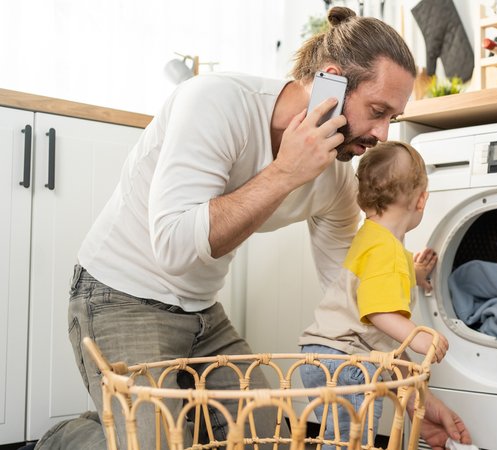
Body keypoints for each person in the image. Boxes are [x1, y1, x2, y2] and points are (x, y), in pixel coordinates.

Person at [30, 6, 469, 450]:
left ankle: (145, 424)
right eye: (377, 110)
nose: (382, 133)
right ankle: (65, 439)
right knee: (154, 444)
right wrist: (285, 171)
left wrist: (410, 394)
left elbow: (350, 296)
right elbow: (175, 248)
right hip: (118, 295)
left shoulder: (336, 180)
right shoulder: (215, 102)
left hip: (202, 313)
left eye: (392, 117)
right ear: (331, 83)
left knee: (272, 438)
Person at [298, 141, 453, 448]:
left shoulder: (371, 237)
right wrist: (419, 338)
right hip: (347, 360)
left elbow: (381, 276)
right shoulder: (387, 252)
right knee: (354, 443)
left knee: (339, 438)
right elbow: (379, 310)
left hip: (322, 354)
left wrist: (418, 274)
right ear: (421, 200)